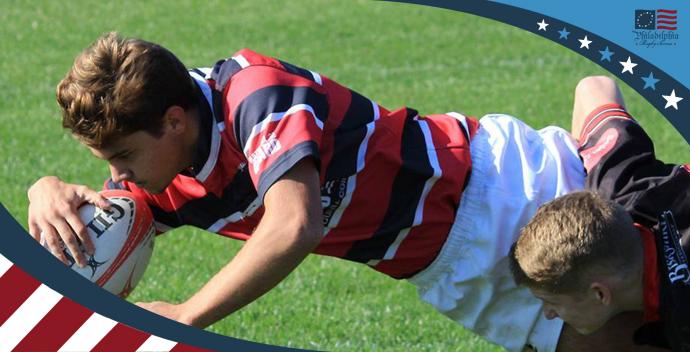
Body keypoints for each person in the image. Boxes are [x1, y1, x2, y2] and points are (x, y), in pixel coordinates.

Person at [27, 32, 657, 351]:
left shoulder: (256, 94)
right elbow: (109, 226)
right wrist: (45, 189)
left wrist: (188, 317)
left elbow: (292, 224)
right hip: (443, 262)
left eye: (124, 157)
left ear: (174, 120)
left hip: (496, 191)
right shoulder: (165, 171)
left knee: (654, 299)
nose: (120, 176)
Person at [509, 76, 690, 351]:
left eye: (552, 302)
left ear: (600, 294)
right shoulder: (616, 184)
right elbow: (594, 86)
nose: (548, 314)